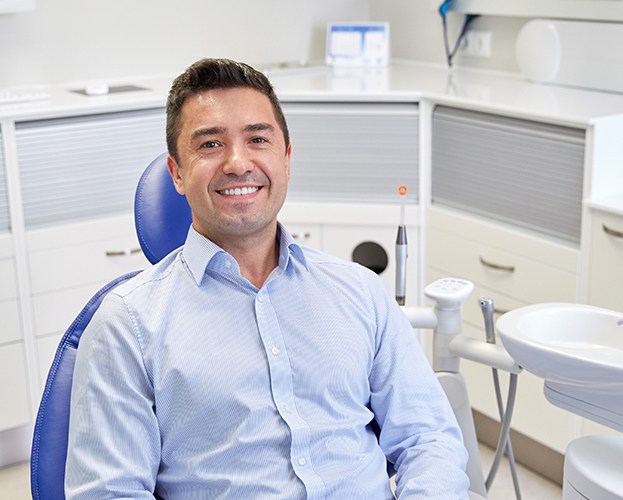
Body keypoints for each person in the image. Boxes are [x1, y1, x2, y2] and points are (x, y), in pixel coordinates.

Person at [65, 58, 470, 499]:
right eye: (210, 145)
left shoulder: (360, 292)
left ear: (286, 158)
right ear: (177, 173)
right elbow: (108, 492)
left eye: (258, 139)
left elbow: (429, 439)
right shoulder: (127, 326)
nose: (238, 163)